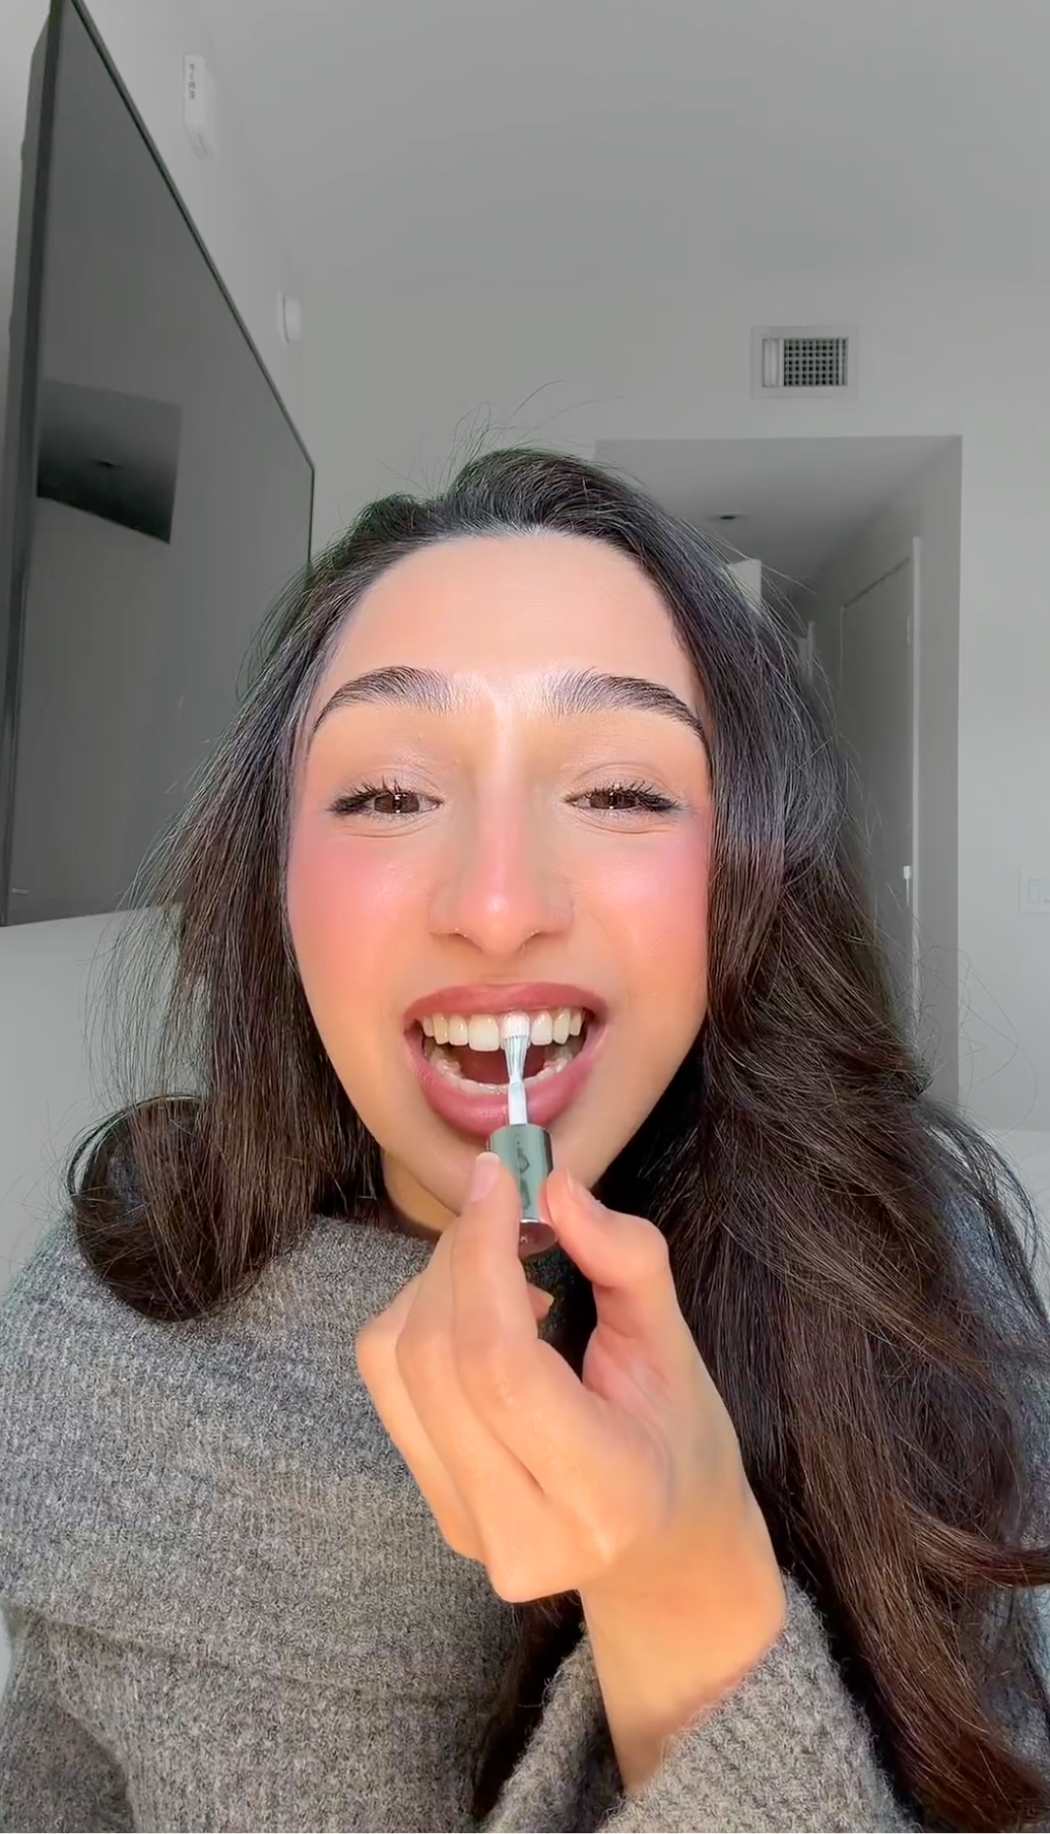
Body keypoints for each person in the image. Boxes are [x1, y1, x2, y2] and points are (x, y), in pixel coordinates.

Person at [1, 444, 1049, 1833]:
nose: (497, 907)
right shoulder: (106, 1340)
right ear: (273, 888)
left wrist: (684, 1592)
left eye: (620, 792)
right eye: (387, 795)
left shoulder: (922, 1284)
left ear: (748, 888)